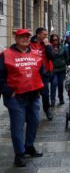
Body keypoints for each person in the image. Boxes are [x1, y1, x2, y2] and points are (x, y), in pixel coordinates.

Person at [0, 29, 44, 167]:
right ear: (16, 38)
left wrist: (40, 87)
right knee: (17, 126)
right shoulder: (6, 55)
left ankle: (29, 146)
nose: (25, 39)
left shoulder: (35, 54)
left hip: (33, 95)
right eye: (21, 37)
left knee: (35, 122)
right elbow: (0, 75)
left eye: (27, 36)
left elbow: (42, 71)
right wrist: (8, 91)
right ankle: (19, 154)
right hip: (15, 97)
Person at [30, 27, 54, 121]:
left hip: (44, 73)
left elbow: (52, 57)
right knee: (32, 93)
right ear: (38, 35)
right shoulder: (30, 44)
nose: (46, 36)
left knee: (45, 93)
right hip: (32, 73)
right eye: (44, 34)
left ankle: (47, 109)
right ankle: (31, 112)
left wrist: (48, 46)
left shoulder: (47, 45)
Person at [50, 34, 68, 106]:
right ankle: (52, 100)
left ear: (58, 40)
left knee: (60, 85)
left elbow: (66, 57)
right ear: (51, 40)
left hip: (61, 69)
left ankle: (61, 98)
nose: (55, 41)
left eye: (56, 40)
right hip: (53, 70)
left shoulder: (63, 47)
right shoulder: (49, 48)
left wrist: (66, 64)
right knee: (54, 84)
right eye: (53, 40)